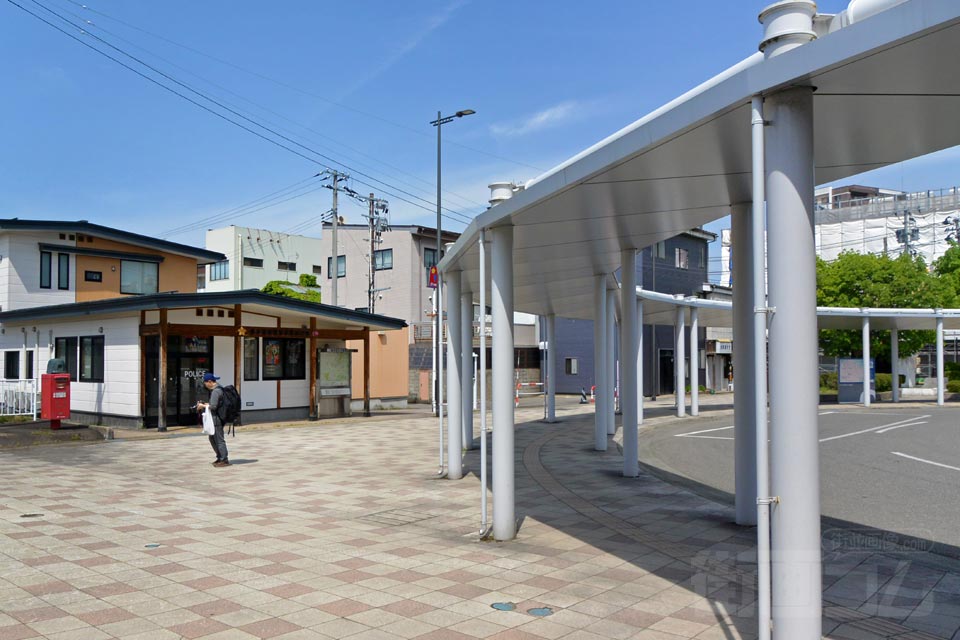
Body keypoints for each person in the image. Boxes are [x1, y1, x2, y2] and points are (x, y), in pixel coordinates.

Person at [197, 373, 230, 467]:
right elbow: (215, 404)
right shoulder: (220, 388)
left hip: (216, 419)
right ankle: (220, 457)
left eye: (205, 383)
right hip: (218, 418)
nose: (205, 385)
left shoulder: (216, 391)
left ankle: (224, 459)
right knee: (212, 438)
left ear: (210, 382)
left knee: (218, 439)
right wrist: (205, 404)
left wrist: (202, 406)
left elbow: (214, 406)